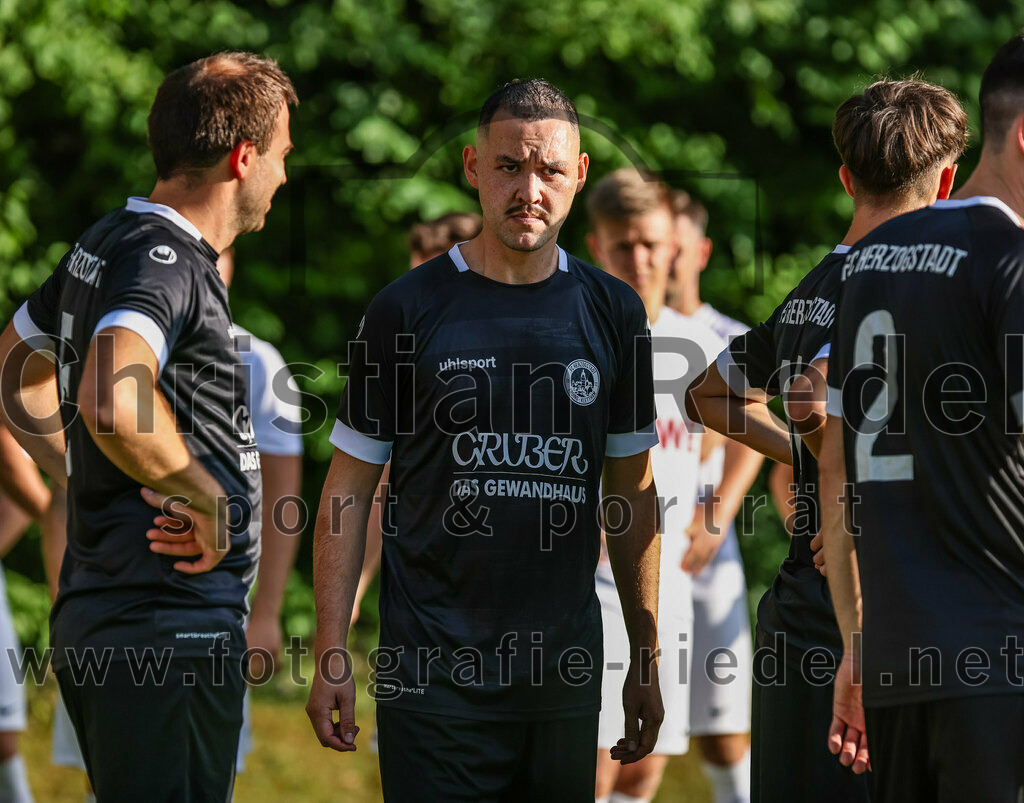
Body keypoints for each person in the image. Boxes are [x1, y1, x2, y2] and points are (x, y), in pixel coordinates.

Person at [306, 78, 663, 801]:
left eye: (550, 170)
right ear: (472, 167)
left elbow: (632, 496)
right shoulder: (405, 309)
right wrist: (330, 648)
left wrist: (646, 658)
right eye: (509, 166)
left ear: (580, 174)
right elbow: (347, 489)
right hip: (431, 678)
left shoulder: (615, 312)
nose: (530, 189)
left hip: (559, 679)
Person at [0, 52, 297, 799]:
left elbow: (12, 370)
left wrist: (83, 466)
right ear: (244, 156)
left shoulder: (105, 240)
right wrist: (208, 497)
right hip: (165, 626)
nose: (285, 178)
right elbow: (109, 397)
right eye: (283, 156)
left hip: (119, 616)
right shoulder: (167, 262)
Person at [686, 78, 967, 802]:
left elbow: (707, 394)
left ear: (846, 178)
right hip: (883, 617)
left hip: (797, 616)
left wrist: (808, 453)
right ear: (946, 183)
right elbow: (814, 393)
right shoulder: (918, 287)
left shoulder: (810, 288)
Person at [820, 37, 1024, 801]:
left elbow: (835, 469)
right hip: (1000, 665)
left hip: (898, 665)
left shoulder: (871, 256)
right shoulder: (1010, 257)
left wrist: (857, 642)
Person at [586, 169, 725, 803]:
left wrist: (713, 510)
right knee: (593, 765)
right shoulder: (581, 333)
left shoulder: (697, 343)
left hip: (669, 588)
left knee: (645, 771)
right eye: (625, 246)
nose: (641, 260)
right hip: (594, 587)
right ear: (597, 246)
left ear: (674, 248)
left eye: (652, 245)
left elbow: (724, 429)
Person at [667, 189, 762, 803]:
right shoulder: (618, 327)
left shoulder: (729, 335)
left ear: (700, 251)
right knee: (625, 721)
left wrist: (718, 512)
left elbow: (754, 432)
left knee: (723, 720)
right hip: (627, 533)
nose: (664, 260)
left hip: (703, 542)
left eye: (677, 247)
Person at [352, 211, 484, 624]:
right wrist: (353, 585)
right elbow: (379, 481)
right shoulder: (400, 338)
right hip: (426, 592)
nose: (420, 301)